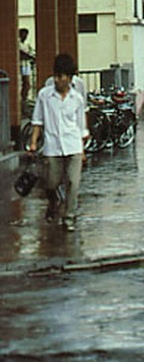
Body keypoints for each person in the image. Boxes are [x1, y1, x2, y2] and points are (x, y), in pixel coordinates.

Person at [28, 53, 88, 231]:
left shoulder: (77, 98)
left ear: (69, 78)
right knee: (51, 183)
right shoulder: (45, 96)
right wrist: (33, 142)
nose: (56, 80)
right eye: (55, 76)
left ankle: (69, 218)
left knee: (73, 182)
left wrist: (82, 150)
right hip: (52, 147)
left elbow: (81, 126)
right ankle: (53, 201)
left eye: (60, 76)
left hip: (73, 146)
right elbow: (37, 120)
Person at [18, 27, 34, 103]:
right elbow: (22, 54)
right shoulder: (18, 44)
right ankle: (22, 99)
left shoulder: (27, 45)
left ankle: (25, 98)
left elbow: (31, 53)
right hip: (21, 65)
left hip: (27, 65)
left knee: (27, 84)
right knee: (24, 82)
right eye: (23, 34)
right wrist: (29, 56)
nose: (25, 36)